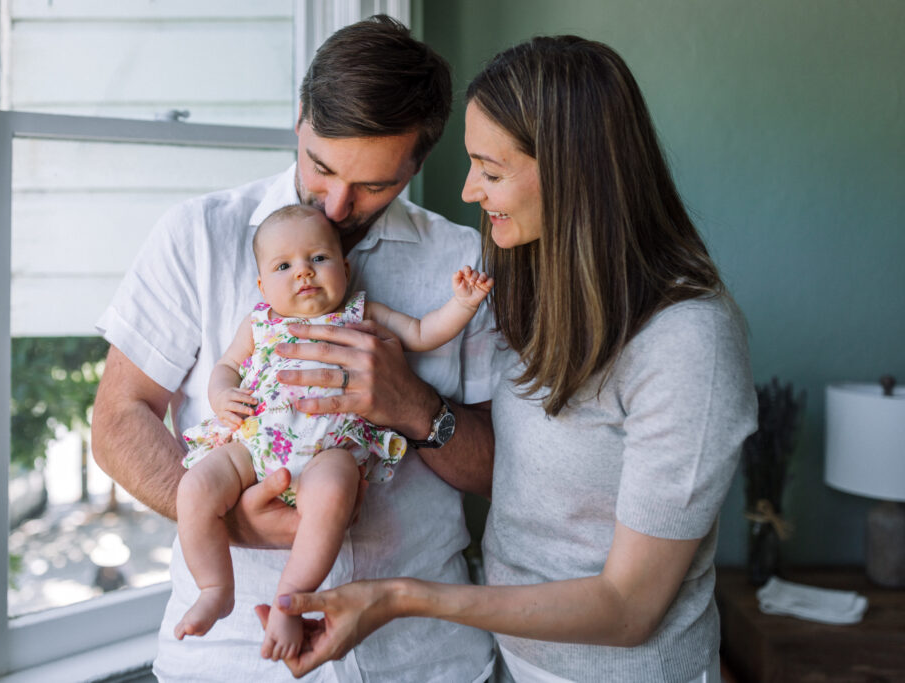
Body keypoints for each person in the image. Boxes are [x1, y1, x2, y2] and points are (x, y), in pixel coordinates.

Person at [264, 35, 758, 683]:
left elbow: (630, 607)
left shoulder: (689, 342)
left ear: (576, 173)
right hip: (512, 662)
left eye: (490, 172)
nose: (469, 190)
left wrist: (397, 595)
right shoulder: (532, 281)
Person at [91, 15, 499, 682]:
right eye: (322, 166)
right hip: (226, 660)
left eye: (373, 185)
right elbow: (117, 421)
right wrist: (229, 518)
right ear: (301, 117)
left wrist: (415, 405)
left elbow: (507, 472)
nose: (337, 206)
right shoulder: (197, 236)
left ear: (418, 161)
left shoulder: (461, 264)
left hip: (425, 661)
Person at [173, 203, 492, 661]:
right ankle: (214, 587)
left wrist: (461, 305)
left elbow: (422, 333)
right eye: (284, 266)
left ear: (344, 268)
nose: (303, 273)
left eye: (318, 259)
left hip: (331, 448)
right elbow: (226, 366)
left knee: (333, 494)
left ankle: (290, 600)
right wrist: (223, 394)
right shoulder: (260, 321)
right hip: (257, 441)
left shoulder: (362, 312)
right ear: (263, 285)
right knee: (196, 486)